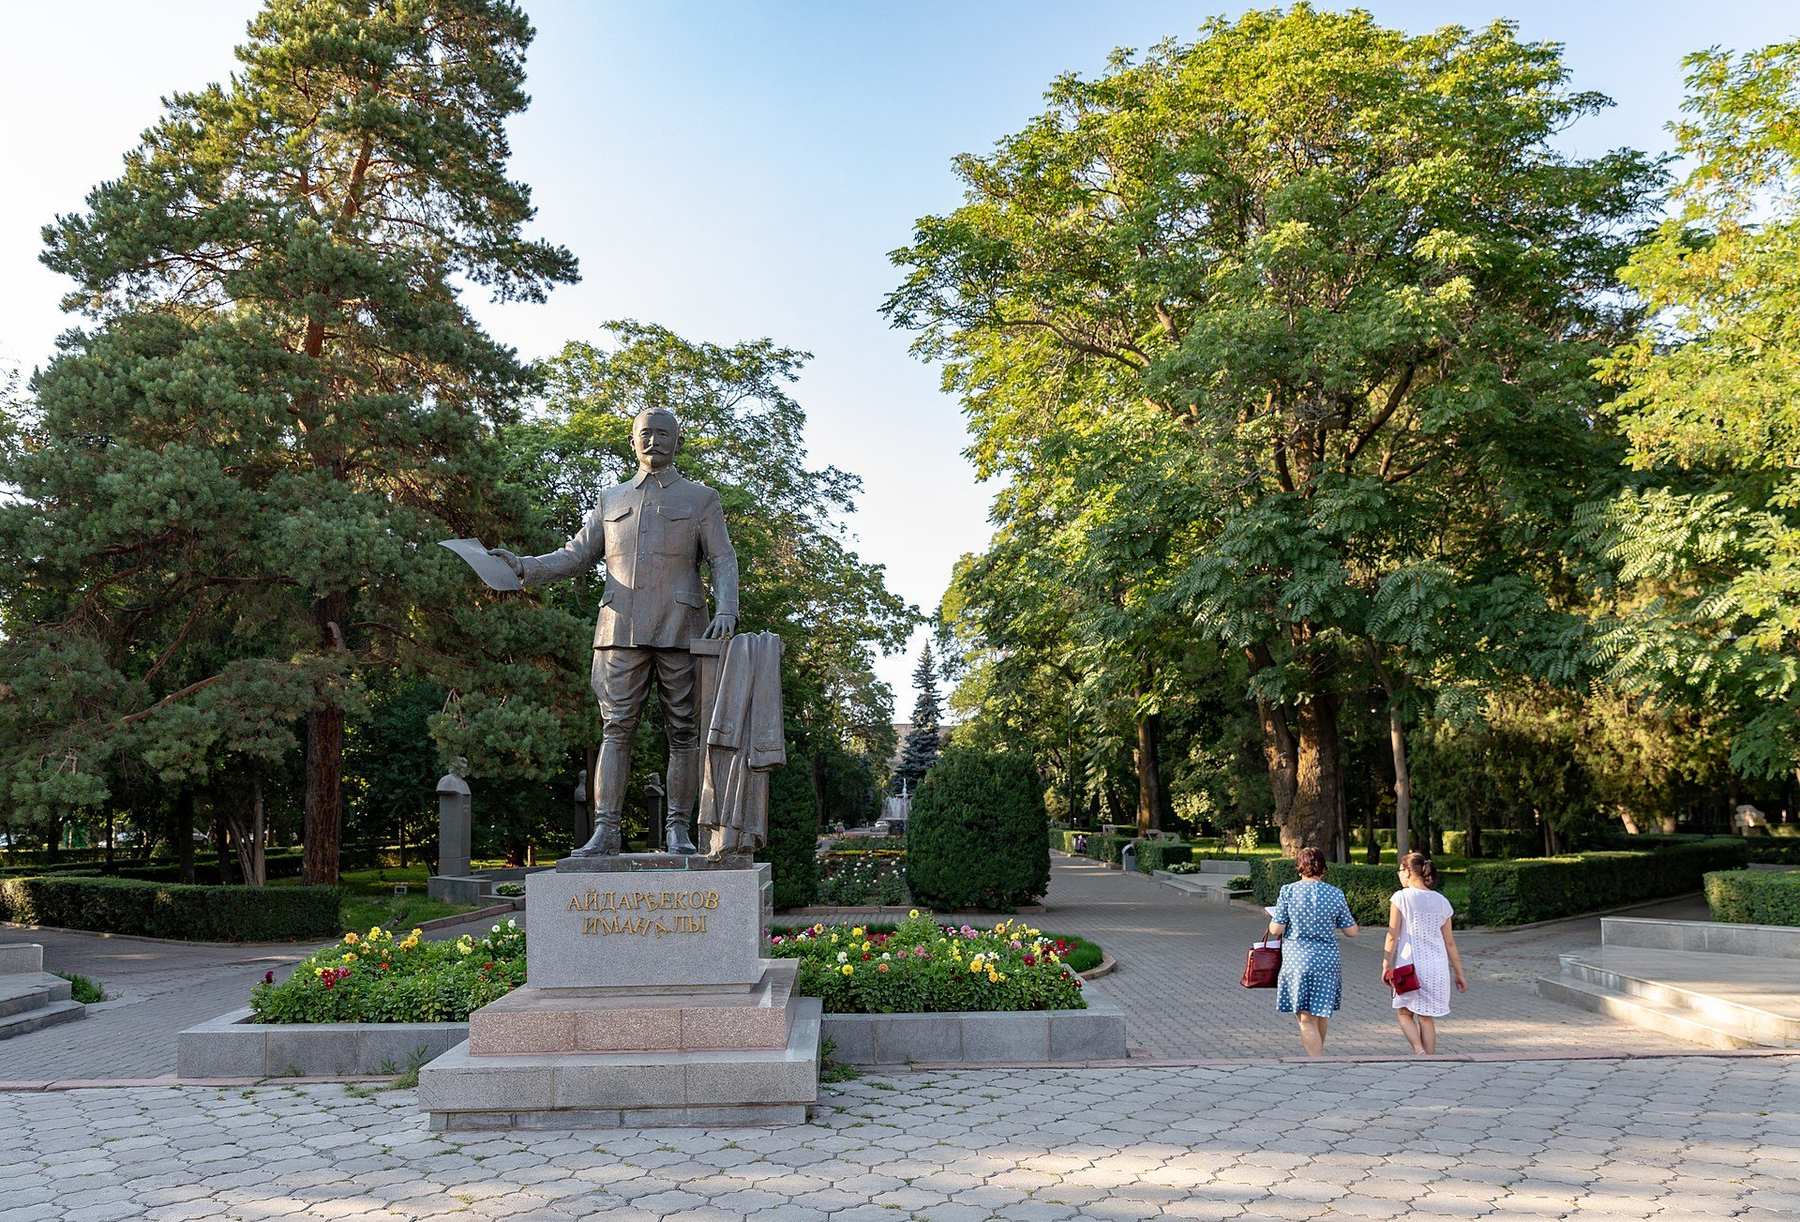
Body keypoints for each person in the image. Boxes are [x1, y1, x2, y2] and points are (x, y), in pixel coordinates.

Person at [490, 406, 738, 857]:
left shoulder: (702, 499)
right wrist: (526, 567)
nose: (653, 441)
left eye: (663, 434)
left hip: (681, 627)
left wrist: (728, 609)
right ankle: (606, 831)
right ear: (632, 441)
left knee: (683, 732)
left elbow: (722, 558)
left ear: (677, 442)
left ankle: (678, 829)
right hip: (618, 628)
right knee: (615, 728)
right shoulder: (611, 499)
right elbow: (575, 555)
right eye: (645, 433)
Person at [1267, 847, 1359, 1056]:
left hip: (1298, 960)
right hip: (1328, 961)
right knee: (1321, 1012)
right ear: (1322, 868)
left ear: (1299, 867)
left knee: (1306, 1016)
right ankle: (1318, 1056)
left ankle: (1316, 1061)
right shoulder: (1335, 893)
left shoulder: (1288, 891)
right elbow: (1351, 931)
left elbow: (1276, 929)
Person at [1381, 850, 1467, 1054]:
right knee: (1426, 1017)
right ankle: (1430, 1058)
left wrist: (1386, 963)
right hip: (1436, 967)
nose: (1398, 874)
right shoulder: (1442, 901)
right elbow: (1450, 943)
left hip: (1409, 967)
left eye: (1400, 870)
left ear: (1409, 871)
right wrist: (1459, 973)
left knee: (1404, 1012)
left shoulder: (1401, 898)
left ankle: (1418, 1050)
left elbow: (1392, 935)